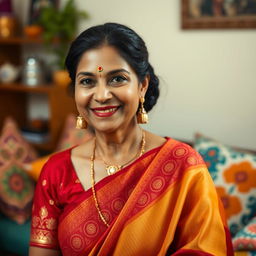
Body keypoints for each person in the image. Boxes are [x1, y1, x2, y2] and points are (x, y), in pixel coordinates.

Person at [29, 23, 234, 256]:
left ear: (142, 86)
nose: (102, 95)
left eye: (117, 79)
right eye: (87, 81)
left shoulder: (182, 164)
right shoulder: (57, 172)